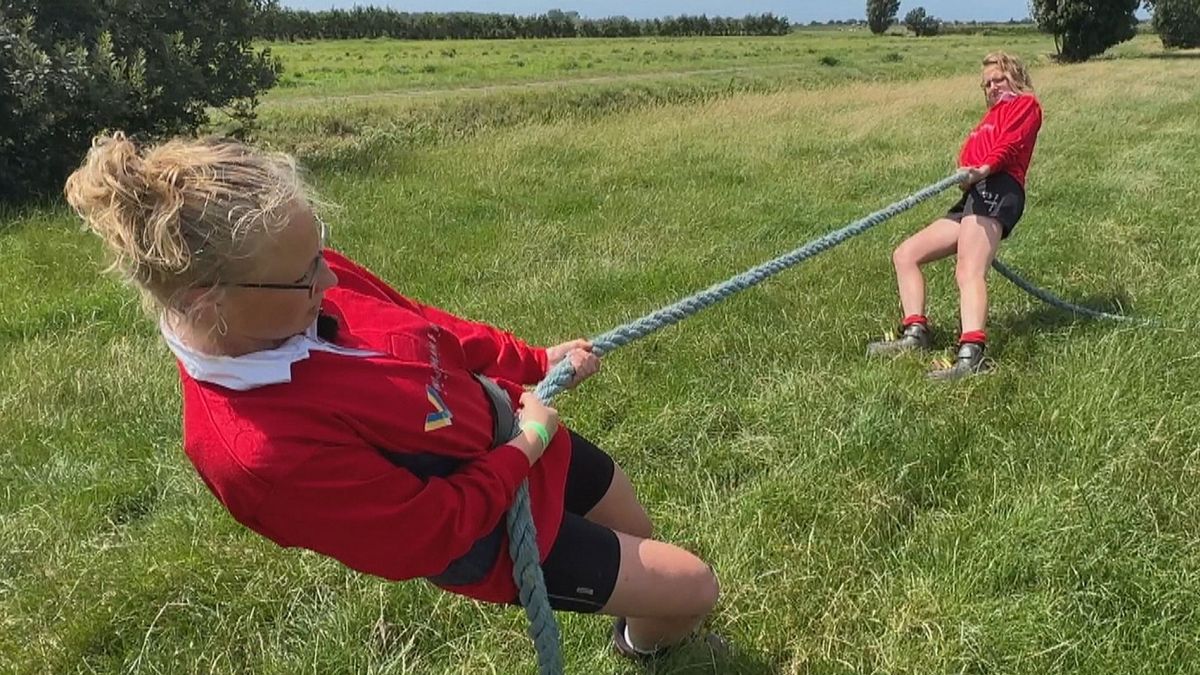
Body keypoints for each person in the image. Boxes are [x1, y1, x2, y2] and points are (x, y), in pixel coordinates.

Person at [64, 132, 720, 660]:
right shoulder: (256, 455)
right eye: (306, 273)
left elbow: (428, 327)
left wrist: (531, 361)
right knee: (692, 588)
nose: (330, 275)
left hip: (512, 426)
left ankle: (645, 617)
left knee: (637, 530)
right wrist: (526, 444)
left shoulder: (291, 274)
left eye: (321, 250)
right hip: (486, 519)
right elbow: (428, 533)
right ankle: (643, 647)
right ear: (209, 302)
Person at [867, 51, 1043, 380]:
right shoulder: (987, 120)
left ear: (1015, 78)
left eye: (999, 79)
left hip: (1000, 187)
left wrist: (983, 170)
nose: (992, 87)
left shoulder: (1025, 105)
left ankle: (971, 355)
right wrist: (968, 174)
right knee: (906, 254)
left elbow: (1008, 148)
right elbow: (971, 157)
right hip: (975, 193)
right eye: (987, 83)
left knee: (968, 270)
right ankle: (915, 334)